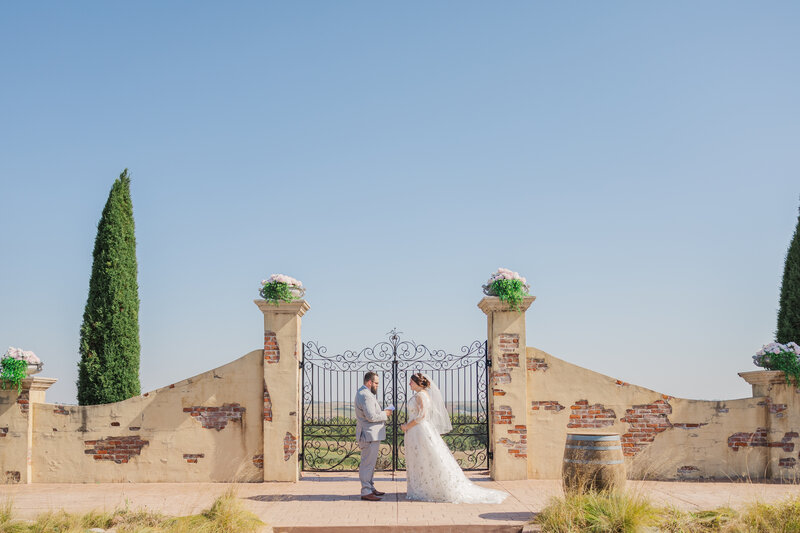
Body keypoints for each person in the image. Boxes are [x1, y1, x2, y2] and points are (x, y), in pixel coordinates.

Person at [401, 373, 507, 504]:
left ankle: (427, 487)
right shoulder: (424, 395)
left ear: (418, 383)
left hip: (419, 430)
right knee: (425, 458)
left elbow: (421, 416)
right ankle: (425, 486)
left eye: (411, 382)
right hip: (420, 430)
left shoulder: (420, 396)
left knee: (424, 458)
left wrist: (407, 426)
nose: (409, 384)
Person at [354, 371, 393, 501]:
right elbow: (371, 417)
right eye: (376, 383)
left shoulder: (365, 394)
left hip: (371, 435)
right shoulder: (365, 395)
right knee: (367, 464)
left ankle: (370, 487)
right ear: (369, 382)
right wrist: (385, 414)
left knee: (370, 464)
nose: (377, 385)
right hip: (369, 435)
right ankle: (365, 491)